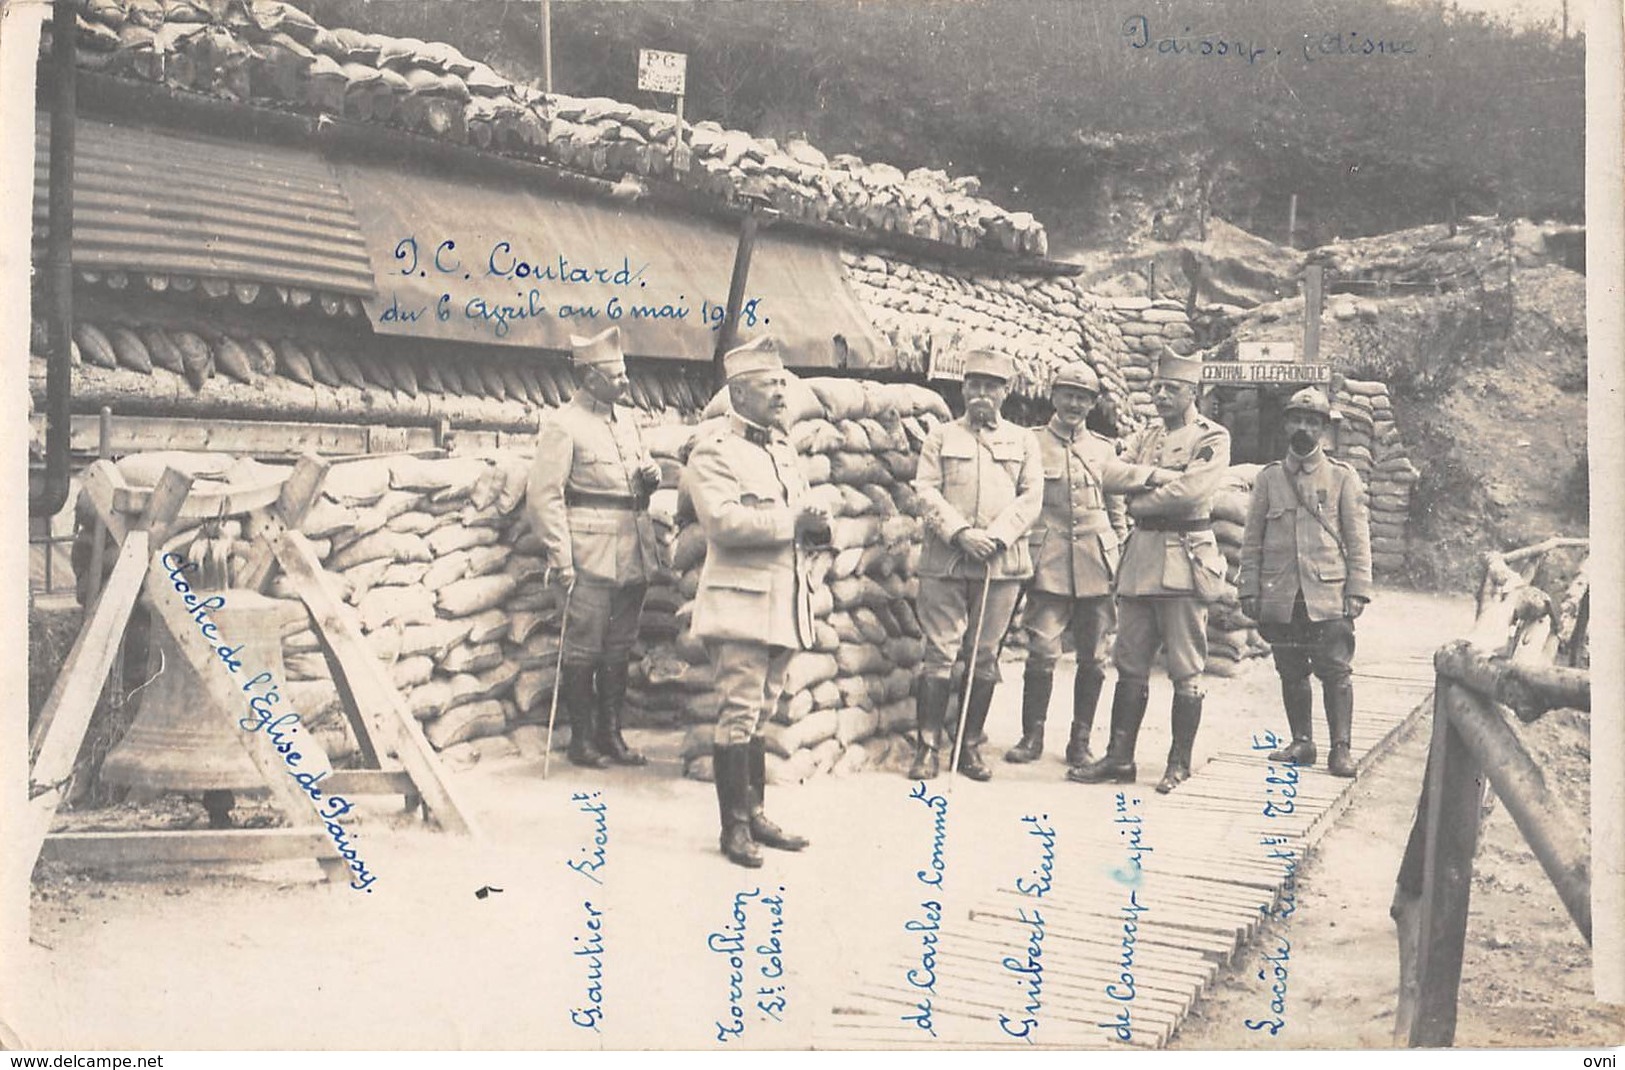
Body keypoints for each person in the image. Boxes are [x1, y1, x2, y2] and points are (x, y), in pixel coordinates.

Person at [683, 335, 830, 868]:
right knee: (738, 714)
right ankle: (734, 828)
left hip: (785, 603)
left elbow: (799, 516)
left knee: (763, 712)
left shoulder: (782, 449)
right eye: (768, 385)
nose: (779, 394)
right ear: (738, 395)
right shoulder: (714, 452)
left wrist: (817, 529)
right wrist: (794, 522)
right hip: (741, 605)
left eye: (781, 384)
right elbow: (723, 523)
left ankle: (757, 810)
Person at [1069, 347, 1231, 794]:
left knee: (1185, 667)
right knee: (1130, 662)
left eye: (1171, 388)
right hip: (1141, 559)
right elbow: (1108, 473)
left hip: (1185, 557)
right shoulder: (1146, 434)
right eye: (1157, 387)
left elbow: (1194, 492)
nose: (1160, 395)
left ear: (1192, 392)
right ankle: (1121, 758)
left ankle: (1178, 763)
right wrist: (1160, 476)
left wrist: (1141, 494)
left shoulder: (1212, 437)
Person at [1008, 362, 1171, 766]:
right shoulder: (1031, 443)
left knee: (1093, 656)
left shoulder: (1103, 449)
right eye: (1067, 394)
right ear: (1054, 396)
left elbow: (1116, 512)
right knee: (1042, 650)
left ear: (1093, 403)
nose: (1074, 404)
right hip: (1048, 560)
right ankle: (1032, 736)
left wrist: (1116, 558)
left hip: (1096, 563)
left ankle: (1080, 741)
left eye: (1082, 398)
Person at [525, 325, 663, 769]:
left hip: (633, 547)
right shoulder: (564, 426)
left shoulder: (628, 421)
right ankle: (581, 739)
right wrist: (560, 558)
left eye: (625, 374)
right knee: (584, 648)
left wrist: (650, 477)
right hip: (589, 554)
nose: (626, 383)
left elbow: (634, 474)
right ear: (589, 379)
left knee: (620, 647)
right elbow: (544, 494)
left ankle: (612, 735)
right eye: (617, 376)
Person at [911, 350, 1045, 782]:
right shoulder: (940, 437)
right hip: (946, 561)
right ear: (963, 388)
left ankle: (968, 746)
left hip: (1000, 565)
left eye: (991, 386)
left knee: (984, 656)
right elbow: (926, 491)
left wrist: (998, 537)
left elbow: (1031, 498)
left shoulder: (1024, 440)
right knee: (939, 653)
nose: (982, 394)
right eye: (974, 385)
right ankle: (928, 746)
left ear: (1006, 392)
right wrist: (960, 533)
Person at [1236, 386, 1373, 777]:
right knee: (1291, 670)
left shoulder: (1343, 477)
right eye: (1297, 420)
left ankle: (1341, 750)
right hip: (1282, 594)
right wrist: (1249, 587)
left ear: (1324, 432)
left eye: (1312, 423)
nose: (1304, 429)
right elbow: (1251, 540)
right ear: (1285, 425)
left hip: (1328, 594)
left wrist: (1358, 590)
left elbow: (1358, 538)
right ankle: (1302, 742)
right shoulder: (1269, 479)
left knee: (1335, 670)